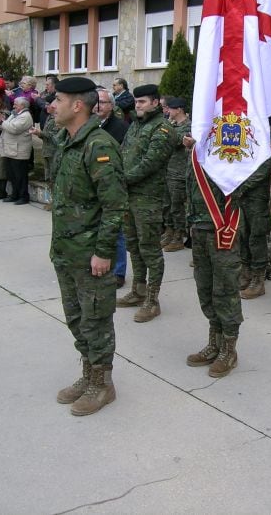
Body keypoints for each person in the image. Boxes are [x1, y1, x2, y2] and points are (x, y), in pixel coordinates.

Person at [50, 76, 127, 416]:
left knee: (96, 320)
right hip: (67, 251)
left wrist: (103, 252)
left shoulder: (99, 146)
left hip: (90, 254)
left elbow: (114, 205)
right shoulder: (68, 141)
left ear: (77, 105)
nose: (52, 106)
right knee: (76, 318)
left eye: (59, 100)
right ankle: (88, 374)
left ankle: (103, 384)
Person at [115, 84, 175, 323]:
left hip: (148, 199)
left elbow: (150, 163)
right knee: (134, 245)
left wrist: (121, 179)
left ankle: (152, 299)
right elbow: (122, 153)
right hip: (128, 196)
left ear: (155, 102)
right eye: (136, 102)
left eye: (142, 102)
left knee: (150, 249)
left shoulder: (163, 129)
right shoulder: (136, 126)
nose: (137, 105)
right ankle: (138, 290)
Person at [185, 150, 244, 378]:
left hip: (222, 226)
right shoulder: (198, 147)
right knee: (205, 287)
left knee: (226, 289)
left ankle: (229, 349)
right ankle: (214, 342)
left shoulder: (230, 142)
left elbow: (244, 180)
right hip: (199, 225)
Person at [238, 125, 271, 299]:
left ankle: (258, 279)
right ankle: (246, 271)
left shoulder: (267, 131)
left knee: (256, 235)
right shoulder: (242, 127)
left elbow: (267, 164)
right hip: (240, 193)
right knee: (243, 233)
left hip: (255, 195)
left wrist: (244, 185)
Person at [93, 88, 129, 287]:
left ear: (112, 106)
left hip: (113, 184)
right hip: (93, 185)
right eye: (96, 101)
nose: (99, 106)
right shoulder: (89, 126)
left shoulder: (121, 127)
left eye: (104, 102)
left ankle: (118, 271)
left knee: (117, 230)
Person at [161, 97, 192, 253]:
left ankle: (178, 236)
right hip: (168, 170)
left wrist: (167, 131)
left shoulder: (188, 126)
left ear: (178, 109)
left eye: (170, 109)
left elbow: (176, 141)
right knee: (167, 204)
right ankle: (169, 230)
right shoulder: (171, 124)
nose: (167, 111)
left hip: (179, 173)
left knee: (176, 206)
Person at [0, 96, 34, 205]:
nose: (13, 106)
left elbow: (14, 129)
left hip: (19, 150)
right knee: (12, 175)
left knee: (20, 175)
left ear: (22, 106)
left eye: (16, 104)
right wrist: (0, 122)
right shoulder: (15, 114)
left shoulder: (26, 116)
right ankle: (14, 194)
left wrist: (2, 122)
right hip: (11, 149)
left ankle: (23, 196)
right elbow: (6, 126)